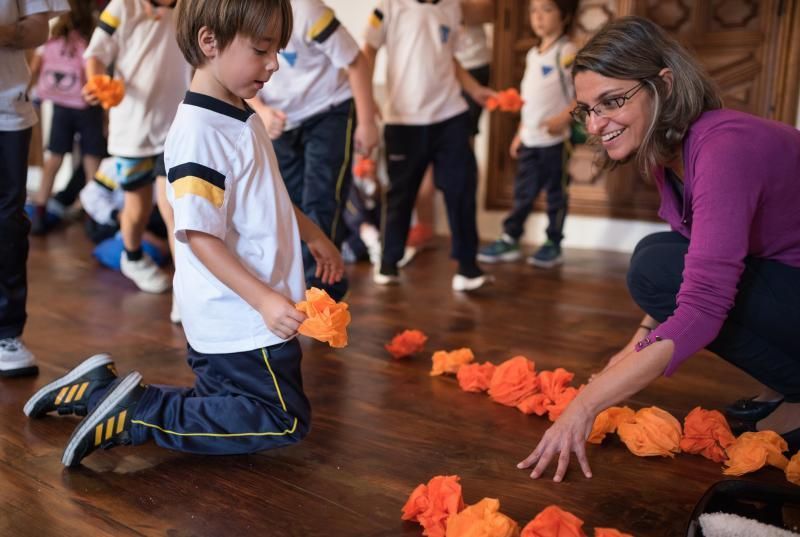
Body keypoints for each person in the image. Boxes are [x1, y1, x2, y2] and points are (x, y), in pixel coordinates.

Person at [24, 0, 345, 468]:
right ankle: (137, 414)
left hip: (231, 318)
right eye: (261, 49)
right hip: (243, 320)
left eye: (276, 49)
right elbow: (199, 236)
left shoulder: (236, 112)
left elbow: (268, 193)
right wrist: (264, 301)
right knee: (281, 416)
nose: (274, 63)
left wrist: (315, 234)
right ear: (209, 42)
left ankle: (99, 392)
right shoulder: (201, 132)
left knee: (219, 406)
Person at [517, 16, 800, 483]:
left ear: (662, 86)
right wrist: (624, 358)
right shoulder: (667, 157)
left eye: (611, 102)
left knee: (654, 265)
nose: (596, 124)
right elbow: (695, 271)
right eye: (585, 110)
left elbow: (702, 306)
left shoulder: (722, 149)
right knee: (658, 258)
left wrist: (586, 405)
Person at [249, 0, 379, 301]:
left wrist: (368, 121)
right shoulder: (240, 14)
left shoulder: (307, 10)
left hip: (329, 109)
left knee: (321, 200)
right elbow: (234, 75)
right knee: (289, 205)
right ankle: (301, 287)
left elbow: (356, 62)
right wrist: (262, 111)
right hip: (282, 121)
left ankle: (322, 295)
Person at [364, 0, 494, 292]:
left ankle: (467, 267)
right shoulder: (389, 6)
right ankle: (388, 261)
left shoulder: (451, 7)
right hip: (404, 119)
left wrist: (474, 89)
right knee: (401, 194)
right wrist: (368, 97)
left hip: (451, 115)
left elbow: (450, 58)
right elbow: (368, 50)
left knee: (461, 188)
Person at [82, 0, 190, 295]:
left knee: (175, 212)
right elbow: (95, 55)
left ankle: (185, 291)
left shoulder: (187, 7)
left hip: (177, 126)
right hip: (133, 129)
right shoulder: (122, 7)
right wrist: (98, 83)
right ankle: (131, 256)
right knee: (137, 207)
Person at [478, 0, 577, 268]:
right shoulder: (534, 54)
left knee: (556, 194)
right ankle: (510, 237)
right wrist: (520, 132)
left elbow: (583, 96)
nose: (538, 17)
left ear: (564, 15)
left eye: (547, 10)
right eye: (534, 11)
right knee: (523, 193)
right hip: (531, 140)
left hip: (555, 142)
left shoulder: (567, 51)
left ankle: (553, 243)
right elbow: (530, 101)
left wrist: (562, 118)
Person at [0, 0, 70, 377]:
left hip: (6, 109)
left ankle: (6, 332)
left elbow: (40, 28)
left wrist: (7, 33)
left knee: (8, 223)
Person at [27, 0, 105, 235]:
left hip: (60, 106)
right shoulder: (92, 36)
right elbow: (96, 75)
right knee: (92, 161)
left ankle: (39, 213)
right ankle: (93, 218)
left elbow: (35, 67)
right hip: (87, 106)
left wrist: (27, 92)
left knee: (54, 159)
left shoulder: (52, 34)